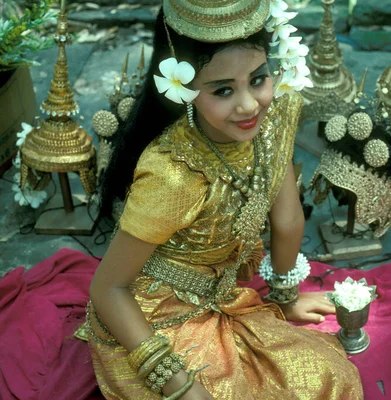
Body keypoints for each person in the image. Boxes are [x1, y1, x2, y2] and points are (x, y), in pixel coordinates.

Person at [84, 0, 363, 399]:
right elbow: (107, 289)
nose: (249, 105)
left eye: (258, 79)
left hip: (224, 295)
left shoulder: (274, 116)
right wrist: (180, 386)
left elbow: (287, 220)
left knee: (330, 379)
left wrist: (286, 298)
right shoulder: (173, 172)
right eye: (223, 90)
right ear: (185, 89)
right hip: (150, 318)